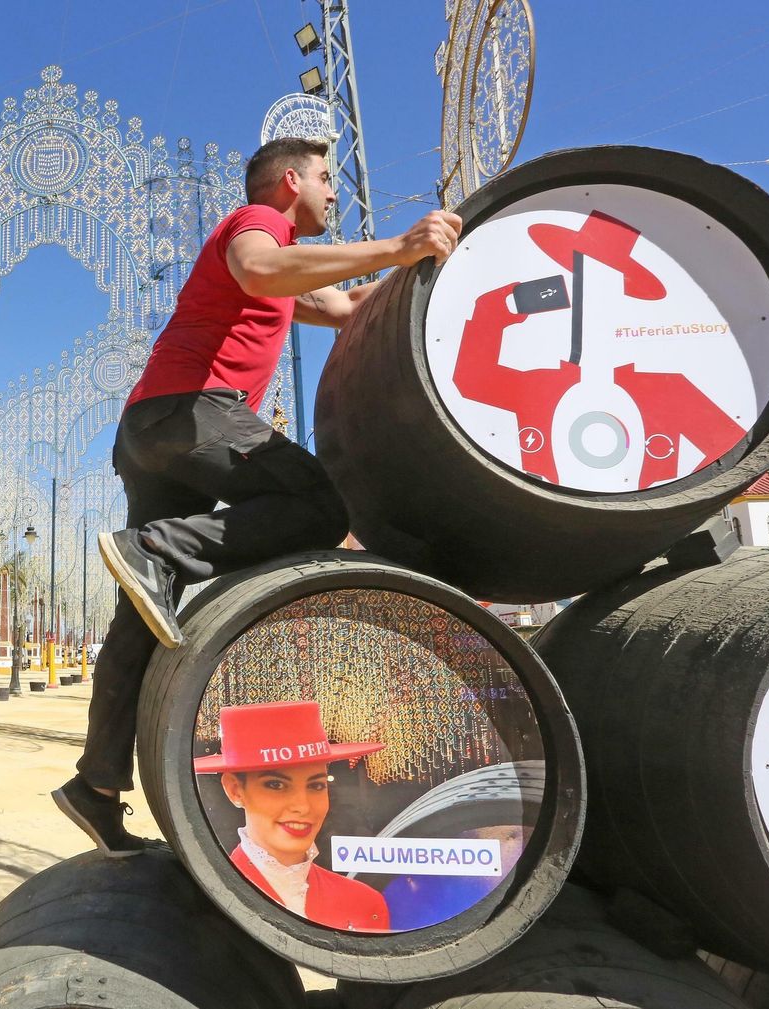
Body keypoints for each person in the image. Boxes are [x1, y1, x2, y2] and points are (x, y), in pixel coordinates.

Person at [52, 137, 462, 854]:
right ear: (288, 181)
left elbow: (346, 306)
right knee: (322, 505)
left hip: (152, 428)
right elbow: (260, 266)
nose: (334, 192)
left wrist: (425, 266)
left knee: (143, 614)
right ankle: (157, 547)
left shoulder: (287, 261)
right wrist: (398, 242)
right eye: (326, 179)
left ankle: (94, 784)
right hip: (191, 411)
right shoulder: (258, 225)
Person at [195, 700, 389, 931]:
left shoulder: (364, 904)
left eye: (316, 786)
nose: (303, 806)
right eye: (276, 784)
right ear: (235, 790)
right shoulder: (205, 901)